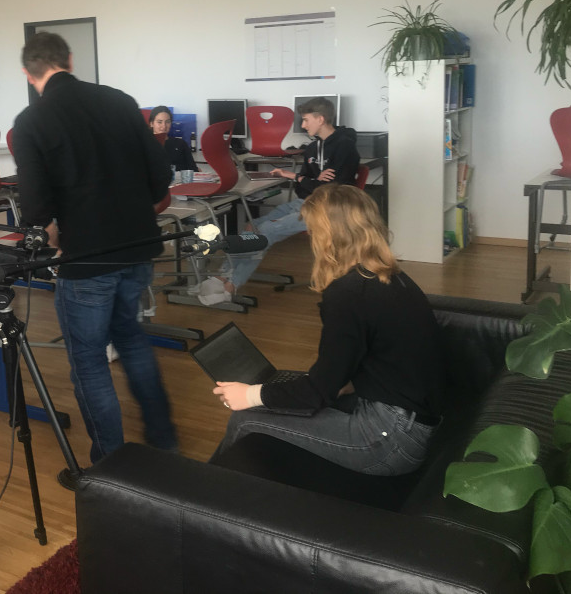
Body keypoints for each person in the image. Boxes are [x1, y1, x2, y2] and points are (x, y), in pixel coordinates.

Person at [12, 31, 178, 466]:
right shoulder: (119, 101)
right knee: (131, 338)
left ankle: (110, 464)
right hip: (138, 246)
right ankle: (164, 439)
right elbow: (160, 175)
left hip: (86, 257)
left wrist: (50, 229)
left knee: (88, 360)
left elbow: (35, 206)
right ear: (69, 59)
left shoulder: (30, 122)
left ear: (28, 74)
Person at [213, 184, 444, 476]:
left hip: (391, 439)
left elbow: (318, 391)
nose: (310, 239)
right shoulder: (389, 276)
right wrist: (335, 383)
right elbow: (376, 360)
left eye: (313, 231)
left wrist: (249, 395)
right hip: (410, 419)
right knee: (285, 393)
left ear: (328, 236)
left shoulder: (348, 293)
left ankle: (200, 497)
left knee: (244, 419)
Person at [198, 96, 359, 305]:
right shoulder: (312, 148)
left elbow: (334, 191)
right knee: (251, 226)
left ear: (320, 119)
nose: (303, 125)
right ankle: (224, 275)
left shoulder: (345, 146)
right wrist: (312, 181)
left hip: (330, 208)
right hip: (306, 202)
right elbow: (304, 187)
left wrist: (300, 178)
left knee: (266, 231)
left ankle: (232, 284)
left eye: (306, 120)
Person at [148, 105, 196, 174]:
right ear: (151, 124)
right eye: (159, 122)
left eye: (167, 122)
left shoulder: (180, 143)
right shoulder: (144, 144)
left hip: (179, 180)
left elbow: (193, 170)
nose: (164, 126)